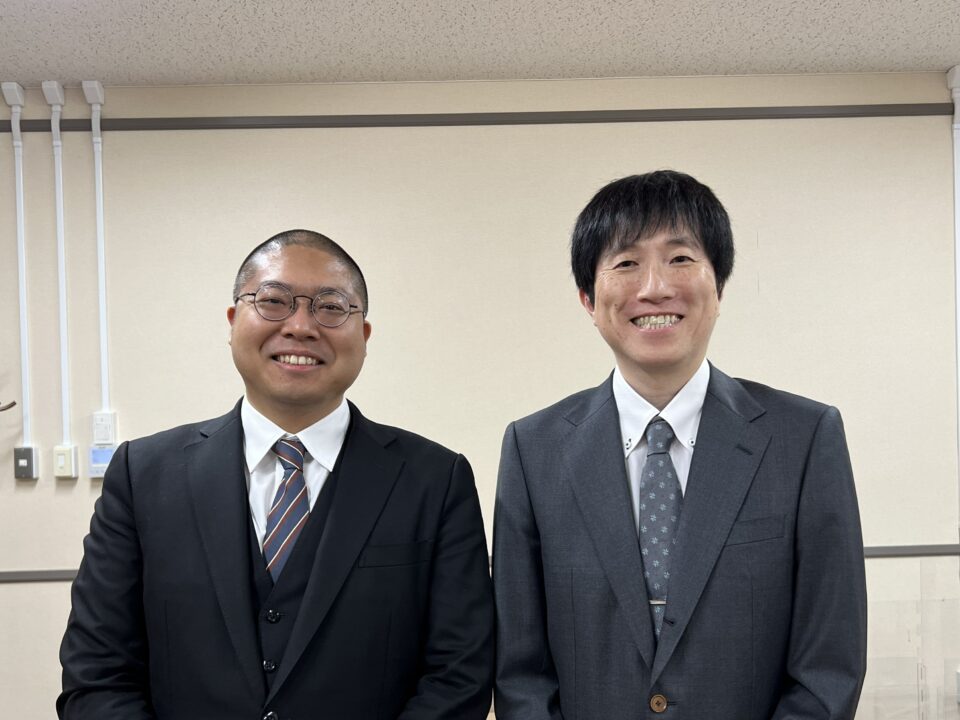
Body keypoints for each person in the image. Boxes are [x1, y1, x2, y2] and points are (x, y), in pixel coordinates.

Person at [58, 230, 494, 720]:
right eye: (273, 301)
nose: (301, 326)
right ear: (232, 321)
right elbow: (98, 672)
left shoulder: (436, 480)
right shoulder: (142, 475)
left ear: (364, 336)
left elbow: (459, 676)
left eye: (331, 307)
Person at [493, 171, 867, 720]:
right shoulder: (534, 449)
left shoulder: (805, 438)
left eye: (680, 258)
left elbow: (827, 669)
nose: (655, 287)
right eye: (626, 263)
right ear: (587, 299)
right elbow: (520, 672)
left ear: (719, 287)